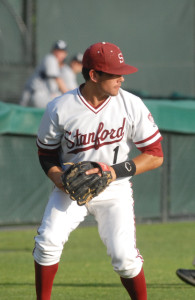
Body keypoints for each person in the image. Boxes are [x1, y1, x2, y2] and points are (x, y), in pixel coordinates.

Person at [33, 41, 164, 300]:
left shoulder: (131, 104)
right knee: (47, 242)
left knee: (124, 259)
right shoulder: (60, 107)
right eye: (115, 73)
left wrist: (113, 172)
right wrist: (59, 178)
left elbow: (155, 155)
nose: (122, 78)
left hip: (114, 189)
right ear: (94, 75)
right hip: (71, 188)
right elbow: (46, 154)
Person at [20, 40, 69, 108]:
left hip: (37, 95)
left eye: (61, 52)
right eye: (57, 50)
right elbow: (58, 80)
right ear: (52, 51)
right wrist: (69, 95)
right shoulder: (50, 58)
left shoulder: (58, 65)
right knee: (62, 102)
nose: (59, 53)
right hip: (36, 95)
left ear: (65, 54)